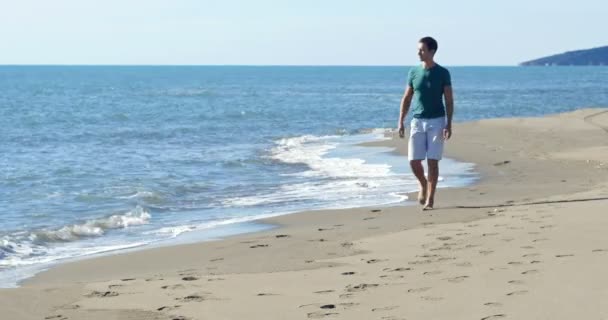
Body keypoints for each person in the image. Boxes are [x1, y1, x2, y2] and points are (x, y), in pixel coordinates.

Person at [398, 36, 454, 211]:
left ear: (432, 51)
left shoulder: (443, 73)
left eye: (422, 50)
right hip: (418, 121)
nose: (419, 53)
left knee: (432, 162)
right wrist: (401, 121)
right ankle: (423, 183)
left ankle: (430, 198)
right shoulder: (413, 72)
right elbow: (407, 98)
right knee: (414, 161)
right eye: (418, 49)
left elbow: (449, 100)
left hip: (437, 121)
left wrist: (448, 123)